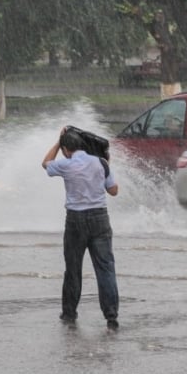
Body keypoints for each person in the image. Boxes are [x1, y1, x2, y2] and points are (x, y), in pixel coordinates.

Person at [42, 127, 120, 330]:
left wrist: (58, 141)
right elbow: (113, 191)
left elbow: (45, 163)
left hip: (75, 221)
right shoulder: (100, 162)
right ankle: (111, 316)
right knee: (105, 269)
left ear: (67, 149)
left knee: (73, 269)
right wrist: (106, 167)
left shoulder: (66, 164)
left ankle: (69, 313)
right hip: (100, 219)